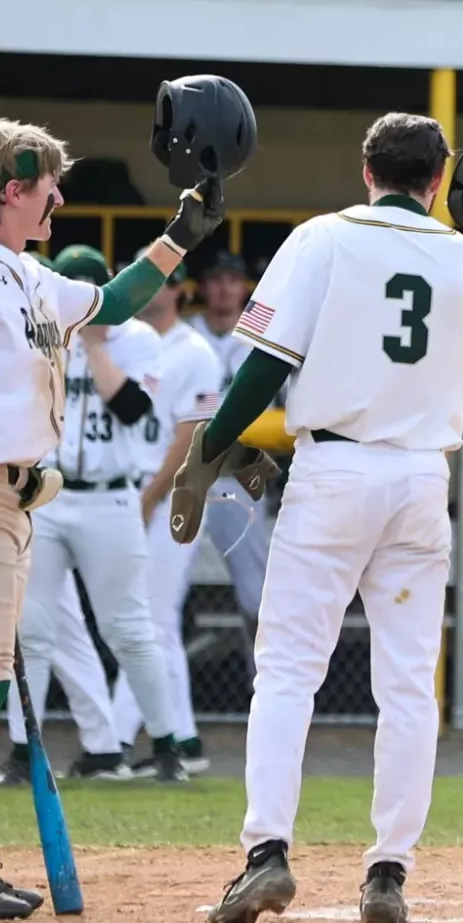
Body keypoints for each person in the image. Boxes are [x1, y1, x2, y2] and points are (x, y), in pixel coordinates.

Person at [199, 112, 463, 923]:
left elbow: (265, 363)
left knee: (289, 670)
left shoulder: (323, 237)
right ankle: (388, 871)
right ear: (436, 182)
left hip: (332, 470)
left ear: (367, 170)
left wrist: (215, 443)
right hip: (419, 479)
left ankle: (267, 854)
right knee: (405, 685)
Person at [0, 117, 225, 919]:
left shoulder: (27, 275)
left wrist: (183, 234)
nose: (59, 200)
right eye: (49, 187)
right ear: (13, 190)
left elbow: (115, 298)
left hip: (14, 495)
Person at [0, 242, 187, 784]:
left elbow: (132, 408)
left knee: (127, 628)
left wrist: (90, 342)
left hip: (112, 498)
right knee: (30, 630)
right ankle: (23, 749)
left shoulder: (139, 339)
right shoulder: (38, 339)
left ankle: (168, 745)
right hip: (50, 497)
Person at [116, 262, 224, 776]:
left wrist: (150, 498)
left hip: (173, 497)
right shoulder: (124, 341)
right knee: (151, 624)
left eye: (157, 280)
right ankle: (183, 739)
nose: (144, 287)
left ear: (180, 289)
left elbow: (192, 438)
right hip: (124, 493)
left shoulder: (195, 351)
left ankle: (115, 741)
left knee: (150, 619)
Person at [187, 250, 274, 640]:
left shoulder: (264, 333)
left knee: (257, 591)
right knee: (163, 587)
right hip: (185, 470)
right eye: (217, 279)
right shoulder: (185, 333)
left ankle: (261, 685)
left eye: (233, 280)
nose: (224, 288)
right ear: (203, 286)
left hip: (238, 473)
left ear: (245, 288)